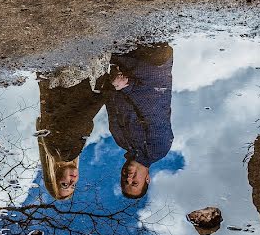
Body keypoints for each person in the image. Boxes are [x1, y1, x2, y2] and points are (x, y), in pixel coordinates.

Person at [103, 43, 174, 199]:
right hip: (152, 64)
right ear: (147, 178)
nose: (128, 178)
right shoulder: (158, 149)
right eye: (134, 182)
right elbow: (155, 107)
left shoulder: (120, 141)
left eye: (124, 181)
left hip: (127, 64)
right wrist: (126, 85)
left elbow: (110, 100)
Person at [36, 73, 103, 199]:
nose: (73, 182)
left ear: (54, 176)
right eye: (73, 186)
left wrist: (109, 90)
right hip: (59, 80)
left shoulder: (63, 153)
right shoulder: (52, 149)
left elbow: (83, 116)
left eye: (64, 184)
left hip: (75, 80)